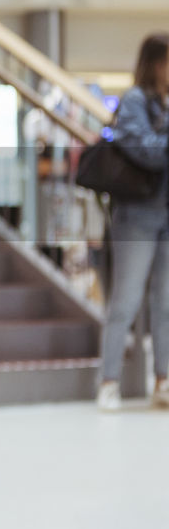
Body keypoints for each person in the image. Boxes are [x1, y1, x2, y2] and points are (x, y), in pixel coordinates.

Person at [97, 32, 169, 412]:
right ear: (157, 62)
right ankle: (109, 381)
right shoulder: (135, 101)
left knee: (166, 302)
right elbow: (142, 149)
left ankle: (163, 380)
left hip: (166, 214)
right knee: (125, 299)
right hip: (137, 215)